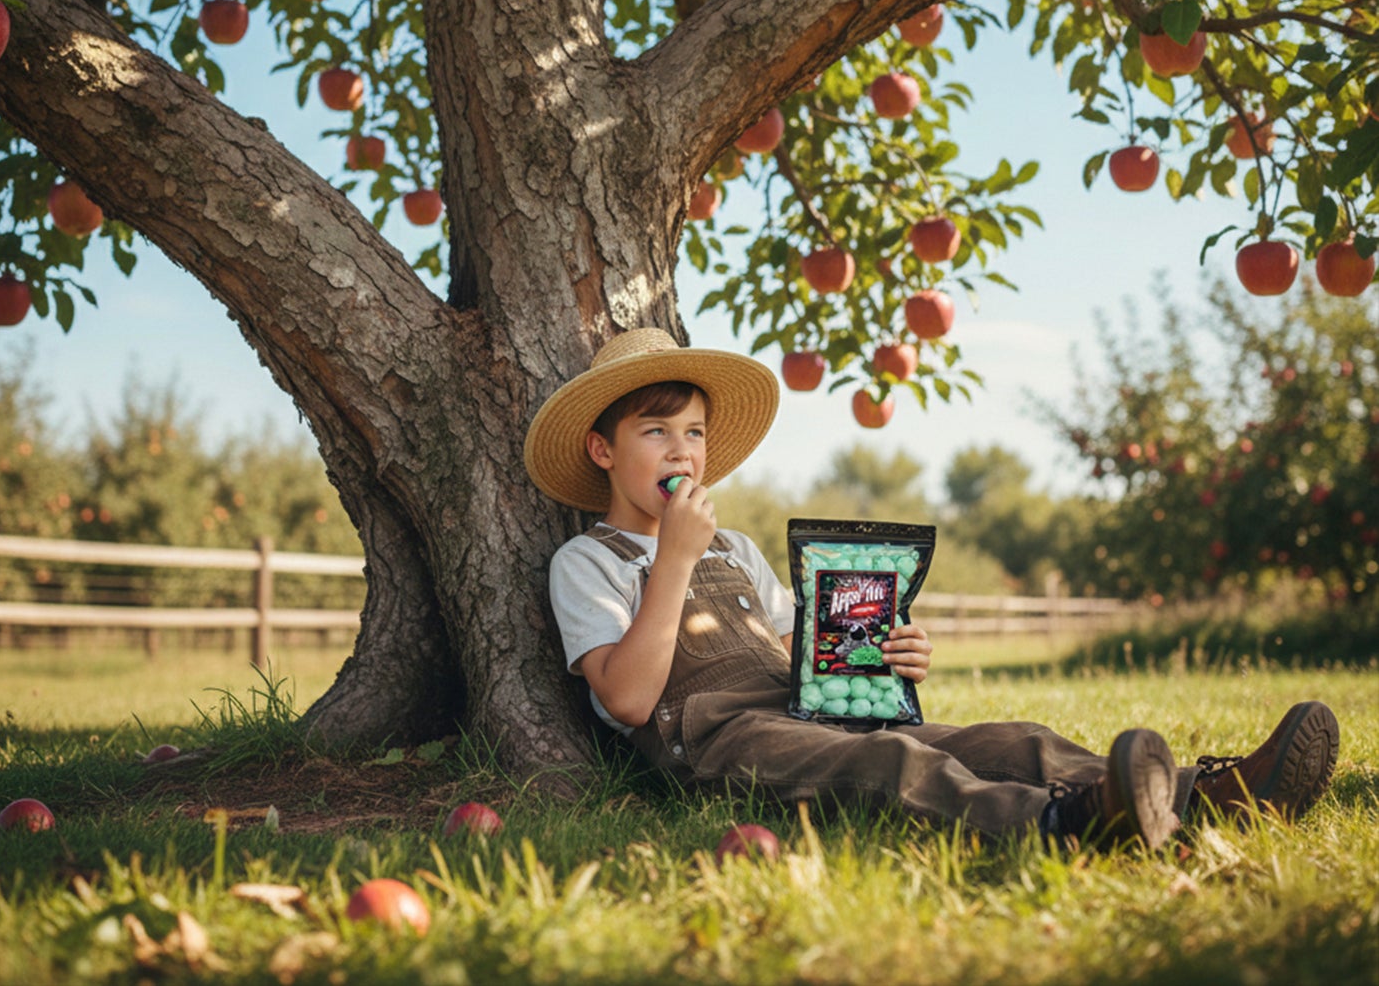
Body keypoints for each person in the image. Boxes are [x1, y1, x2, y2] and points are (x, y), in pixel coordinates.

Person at [525, 328, 1341, 849]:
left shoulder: (734, 547)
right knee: (890, 761)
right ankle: (1066, 823)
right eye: (655, 432)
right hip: (716, 738)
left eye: (694, 432)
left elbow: (798, 657)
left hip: (797, 707)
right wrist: (670, 561)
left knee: (1006, 740)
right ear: (603, 451)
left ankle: (1210, 795)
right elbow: (629, 701)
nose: (682, 451)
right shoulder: (588, 562)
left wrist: (878, 659)